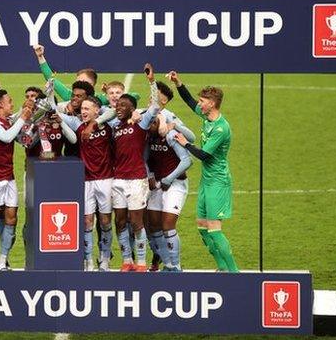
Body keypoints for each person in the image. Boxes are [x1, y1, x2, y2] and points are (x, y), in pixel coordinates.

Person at [89, 63, 162, 272]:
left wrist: (151, 81)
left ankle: (140, 262)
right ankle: (126, 260)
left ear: (132, 108)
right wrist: (106, 97)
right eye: (116, 106)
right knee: (120, 221)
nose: (117, 108)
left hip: (136, 180)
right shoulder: (115, 125)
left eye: (122, 106)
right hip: (118, 179)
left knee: (137, 222)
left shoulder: (140, 122)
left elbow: (155, 106)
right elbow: (104, 113)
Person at [169, 71, 239, 272]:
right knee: (202, 227)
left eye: (203, 101)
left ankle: (234, 272)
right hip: (206, 181)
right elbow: (189, 101)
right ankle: (222, 268)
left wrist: (186, 143)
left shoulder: (221, 128)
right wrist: (178, 82)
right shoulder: (206, 115)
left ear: (212, 103)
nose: (199, 104)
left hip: (218, 181)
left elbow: (204, 156)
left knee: (215, 230)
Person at [58, 96, 114, 271]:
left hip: (106, 179)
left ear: (97, 111)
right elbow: (56, 112)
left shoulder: (108, 125)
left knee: (105, 221)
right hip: (86, 180)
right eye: (82, 108)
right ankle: (88, 259)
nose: (83, 111)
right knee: (87, 221)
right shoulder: (77, 125)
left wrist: (95, 122)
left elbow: (112, 110)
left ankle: (104, 258)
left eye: (87, 108)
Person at [0, 90, 33, 271]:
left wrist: (29, 118)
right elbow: (6, 137)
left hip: (9, 177)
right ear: (0, 104)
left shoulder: (7, 121)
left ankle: (2, 260)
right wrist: (22, 117)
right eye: (9, 101)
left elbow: (21, 138)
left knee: (12, 219)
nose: (12, 104)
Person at [146, 113, 192, 272]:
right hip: (158, 184)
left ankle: (176, 265)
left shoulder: (171, 135)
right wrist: (150, 174)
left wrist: (168, 179)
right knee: (154, 226)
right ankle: (168, 264)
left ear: (160, 122)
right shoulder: (148, 136)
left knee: (167, 225)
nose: (149, 125)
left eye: (153, 122)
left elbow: (187, 160)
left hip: (176, 183)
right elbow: (144, 158)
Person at [33, 44, 140, 105]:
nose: (79, 84)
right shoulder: (69, 96)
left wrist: (111, 94)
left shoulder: (100, 100)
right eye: (77, 81)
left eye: (83, 82)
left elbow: (136, 95)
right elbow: (50, 78)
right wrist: (40, 56)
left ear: (92, 85)